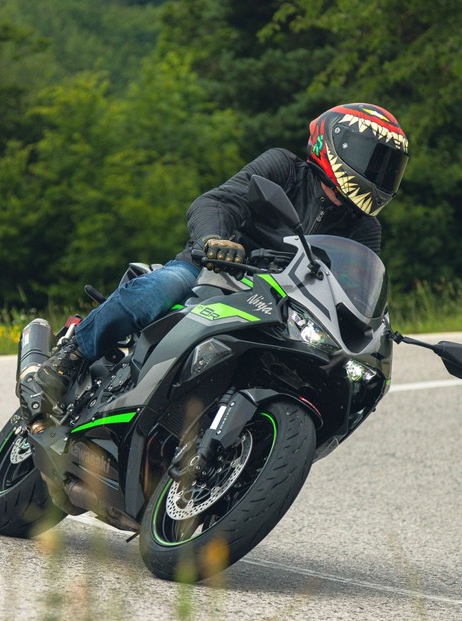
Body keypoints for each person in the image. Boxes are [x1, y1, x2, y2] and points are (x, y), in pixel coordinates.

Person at [36, 103, 410, 408]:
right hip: (216, 273)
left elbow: (354, 286)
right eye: (373, 160)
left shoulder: (364, 228)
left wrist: (371, 326)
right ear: (336, 145)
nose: (379, 175)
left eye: (387, 167)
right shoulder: (284, 168)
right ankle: (71, 358)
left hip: (284, 307)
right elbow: (218, 201)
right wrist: (214, 240)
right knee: (163, 286)